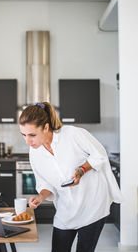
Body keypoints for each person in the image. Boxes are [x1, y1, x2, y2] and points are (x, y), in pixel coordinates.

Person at [19, 102, 122, 252]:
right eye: (23, 135)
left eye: (32, 135)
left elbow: (100, 155)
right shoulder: (34, 152)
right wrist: (40, 197)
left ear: (46, 127)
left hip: (92, 206)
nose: (27, 141)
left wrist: (81, 171)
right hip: (66, 211)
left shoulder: (72, 134)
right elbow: (45, 183)